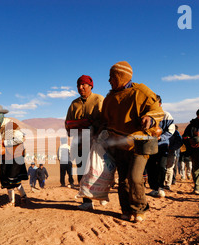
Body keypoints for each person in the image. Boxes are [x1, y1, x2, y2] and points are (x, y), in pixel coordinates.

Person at [102, 61, 164, 222]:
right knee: (123, 180)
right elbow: (104, 121)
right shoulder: (109, 99)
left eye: (112, 77)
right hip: (119, 145)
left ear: (121, 76)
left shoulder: (141, 92)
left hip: (139, 143)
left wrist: (149, 118)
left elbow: (157, 110)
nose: (109, 80)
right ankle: (126, 209)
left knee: (135, 177)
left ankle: (139, 207)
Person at [65, 75, 104, 210]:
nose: (80, 88)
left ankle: (100, 195)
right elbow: (67, 122)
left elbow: (105, 120)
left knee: (97, 170)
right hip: (80, 143)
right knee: (82, 171)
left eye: (83, 85)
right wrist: (72, 129)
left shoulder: (99, 99)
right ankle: (87, 201)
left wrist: (95, 128)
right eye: (78, 85)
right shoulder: (74, 104)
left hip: (97, 142)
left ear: (90, 86)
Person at [0, 104, 28, 206]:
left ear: (0, 117)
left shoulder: (11, 125)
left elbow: (20, 139)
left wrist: (4, 143)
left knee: (13, 178)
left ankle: (15, 200)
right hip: (5, 156)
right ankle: (20, 198)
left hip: (16, 155)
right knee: (6, 179)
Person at [145, 103, 175, 198]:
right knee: (150, 167)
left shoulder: (166, 115)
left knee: (162, 166)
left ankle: (161, 187)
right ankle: (154, 188)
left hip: (162, 145)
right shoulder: (146, 116)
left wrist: (161, 137)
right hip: (149, 145)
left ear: (160, 104)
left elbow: (171, 130)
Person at [164, 125, 183, 190]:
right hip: (161, 152)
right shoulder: (161, 130)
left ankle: (167, 184)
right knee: (161, 167)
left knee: (169, 168)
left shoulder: (175, 133)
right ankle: (162, 183)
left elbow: (179, 142)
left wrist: (172, 148)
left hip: (171, 152)